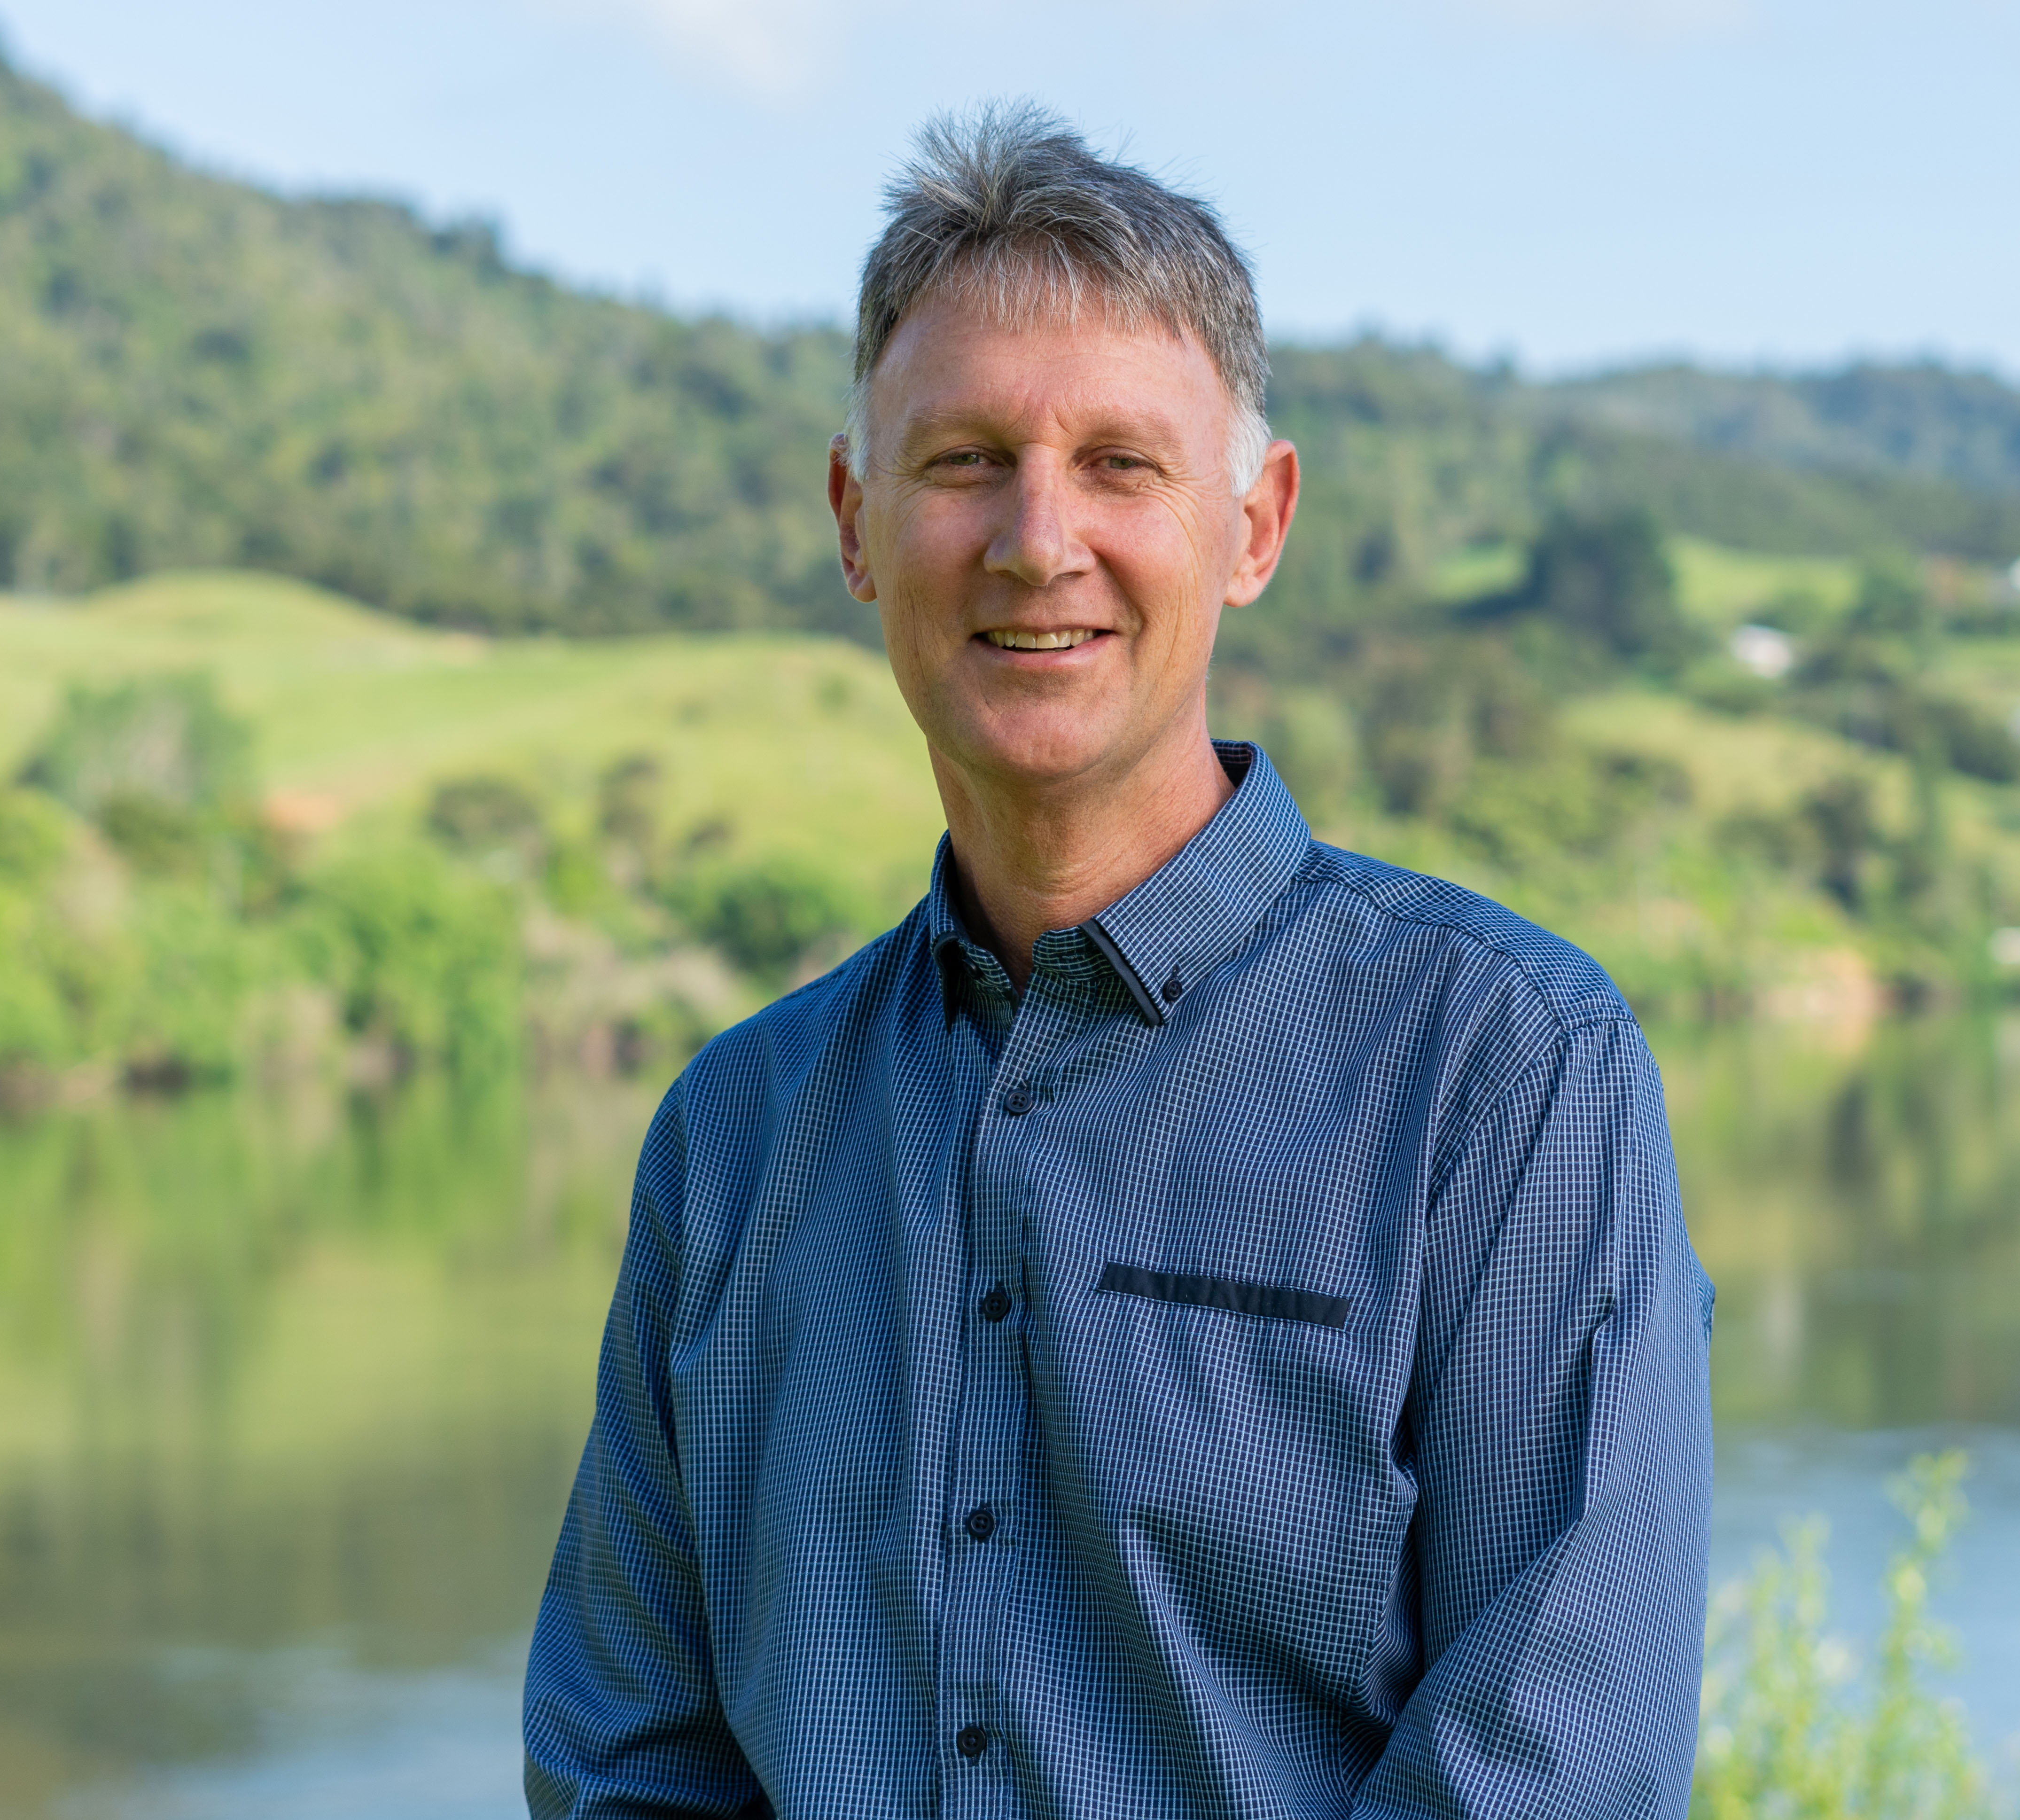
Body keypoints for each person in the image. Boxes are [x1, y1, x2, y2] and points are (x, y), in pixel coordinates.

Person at [524, 102, 1714, 1820]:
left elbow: (1549, 1769)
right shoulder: (730, 1140)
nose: (1034, 538)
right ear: (857, 523)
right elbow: (629, 1766)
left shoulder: (1506, 1073)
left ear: (1254, 523)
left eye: (1119, 465)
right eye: (961, 462)